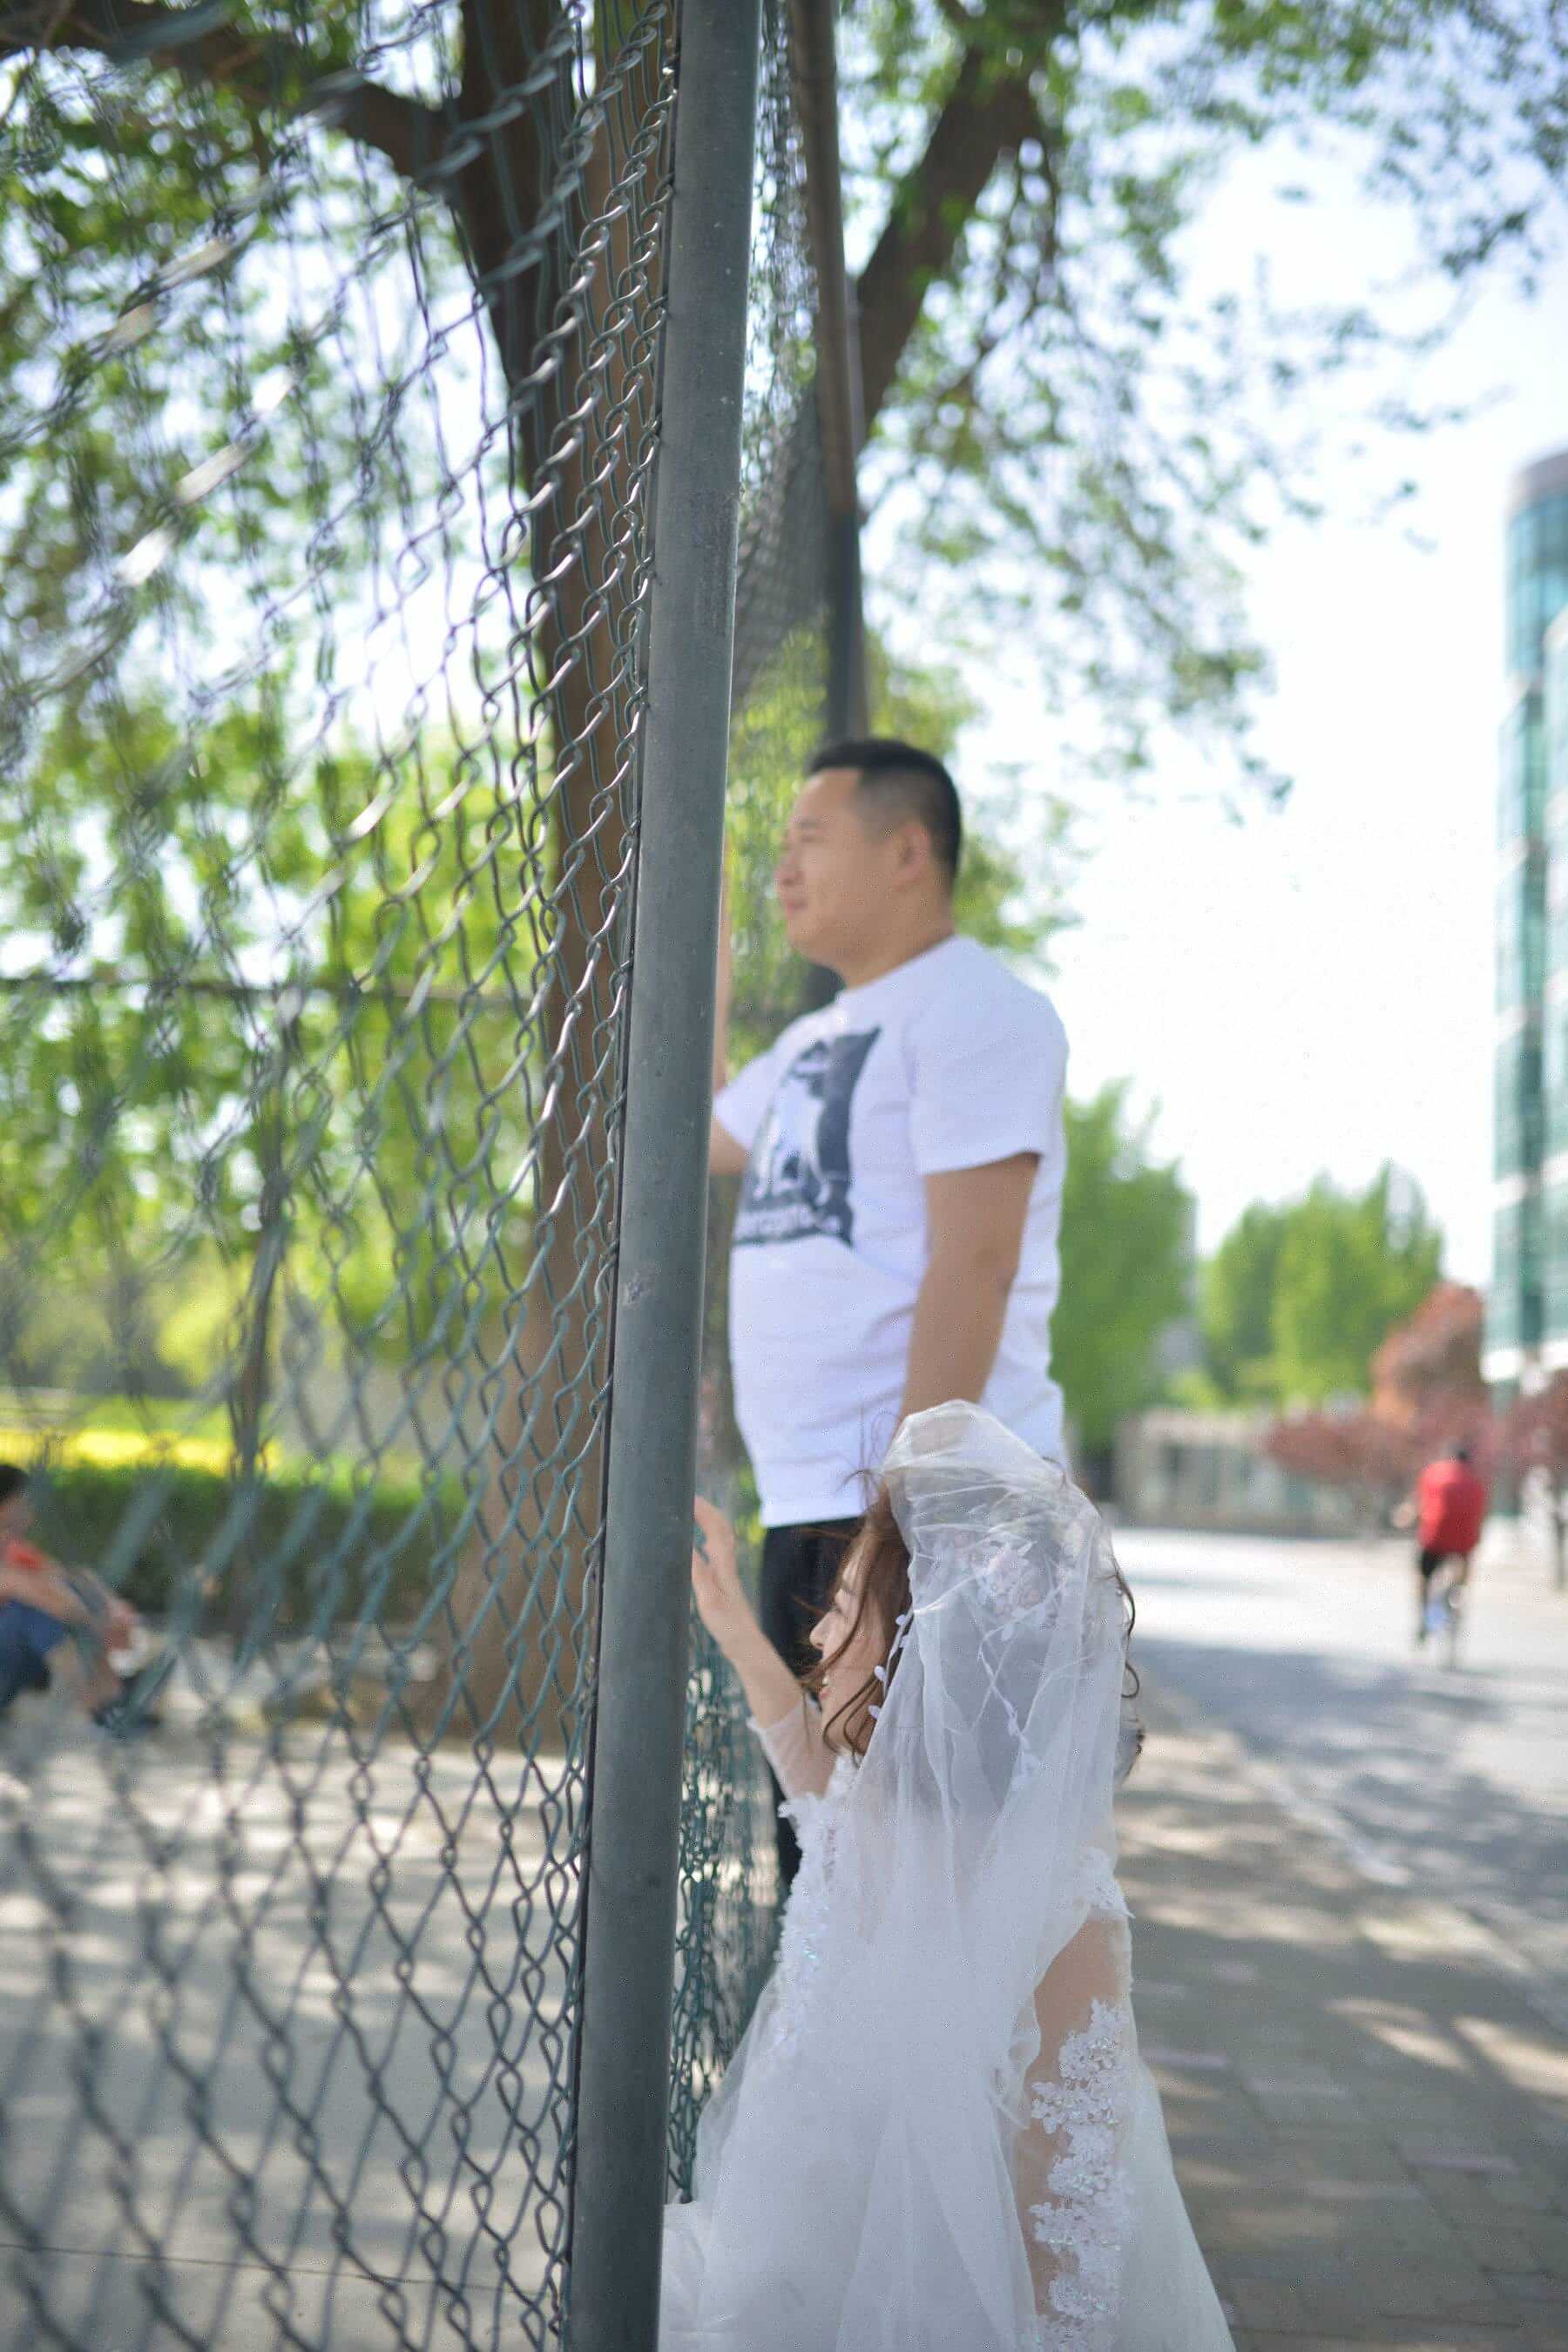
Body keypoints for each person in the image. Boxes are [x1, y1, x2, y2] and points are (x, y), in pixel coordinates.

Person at [666, 1401, 1234, 2352]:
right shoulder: (870, 1811)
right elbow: (802, 1761)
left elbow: (1065, 2222)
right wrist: (728, 1618)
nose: (818, 1636)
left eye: (844, 1607)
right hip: (796, 2260)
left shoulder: (1063, 1916)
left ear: (921, 1653)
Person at [710, 738, 1068, 1880]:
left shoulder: (977, 1009)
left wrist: (896, 1530)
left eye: (809, 839)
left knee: (927, 1898)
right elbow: (696, 1130)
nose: (783, 869)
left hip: (927, 1518)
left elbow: (976, 1263)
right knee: (826, 1888)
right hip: (812, 1506)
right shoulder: (809, 1042)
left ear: (908, 852)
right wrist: (698, 950)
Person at [0, 1463, 152, 1734]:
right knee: (33, 1612)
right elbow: (41, 1595)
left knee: (68, 1592)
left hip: (17, 1664)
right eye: (23, 1501)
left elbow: (70, 1576)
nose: (30, 1510)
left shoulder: (14, 1549)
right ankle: (101, 1704)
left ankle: (113, 1690)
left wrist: (113, 1608)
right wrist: (100, 1622)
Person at [1409, 1441, 1489, 1646]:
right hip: (1464, 1541)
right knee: (1462, 1574)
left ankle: (1424, 1617)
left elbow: (1421, 1505)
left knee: (1423, 1576)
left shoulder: (1433, 1474)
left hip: (1435, 1536)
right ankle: (1455, 1593)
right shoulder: (1475, 1482)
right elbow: (1480, 1514)